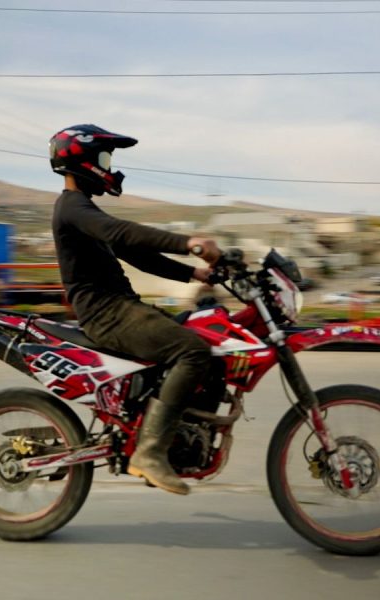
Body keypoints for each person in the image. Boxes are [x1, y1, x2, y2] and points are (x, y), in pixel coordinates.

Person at [49, 124, 220, 495]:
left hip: (119, 307)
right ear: (83, 160)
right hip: (106, 313)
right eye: (105, 158)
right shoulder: (73, 208)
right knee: (192, 351)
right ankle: (150, 452)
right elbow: (121, 233)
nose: (109, 167)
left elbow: (139, 255)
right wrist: (188, 242)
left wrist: (194, 273)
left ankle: (164, 430)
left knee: (202, 333)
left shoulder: (82, 211)